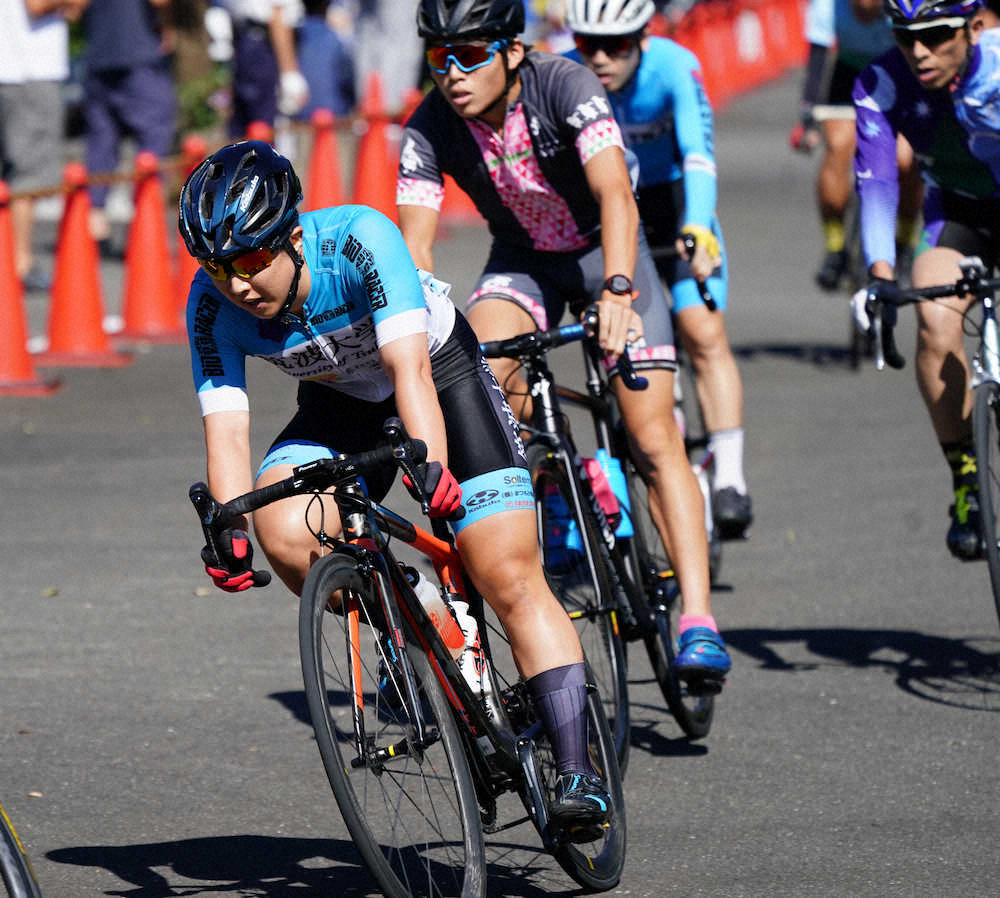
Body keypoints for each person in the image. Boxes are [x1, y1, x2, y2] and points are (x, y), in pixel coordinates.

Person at [178, 139, 613, 827]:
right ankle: (415, 607)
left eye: (253, 259)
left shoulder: (358, 242)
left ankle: (578, 770)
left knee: (503, 568)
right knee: (284, 531)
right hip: (343, 403)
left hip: (439, 376)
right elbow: (227, 430)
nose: (237, 284)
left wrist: (430, 465)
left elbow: (411, 373)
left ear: (293, 235)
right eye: (218, 266)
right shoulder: (211, 306)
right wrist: (230, 529)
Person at [396, 0, 732, 685]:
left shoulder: (565, 85)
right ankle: (550, 479)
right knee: (482, 368)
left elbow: (615, 193)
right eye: (439, 57)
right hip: (522, 261)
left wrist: (616, 291)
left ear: (513, 52)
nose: (453, 73)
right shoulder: (428, 126)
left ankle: (697, 616)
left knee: (650, 434)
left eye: (471, 54)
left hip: (606, 252)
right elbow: (415, 247)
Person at [564, 0, 753, 538]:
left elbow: (697, 153)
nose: (600, 58)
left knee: (702, 329)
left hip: (674, 208)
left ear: (642, 38)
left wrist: (697, 226)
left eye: (616, 45)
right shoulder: (564, 73)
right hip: (611, 217)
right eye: (587, 44)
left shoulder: (674, 65)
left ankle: (730, 475)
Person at [853, 0, 1000, 559]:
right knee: (934, 323)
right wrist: (880, 275)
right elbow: (879, 183)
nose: (918, 51)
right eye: (905, 35)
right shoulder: (880, 83)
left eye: (936, 36)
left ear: (973, 28)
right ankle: (966, 474)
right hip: (958, 216)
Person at [793, 0, 923, 290]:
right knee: (839, 147)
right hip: (849, 75)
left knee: (905, 159)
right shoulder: (827, 5)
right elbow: (818, 58)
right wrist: (808, 116)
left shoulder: (902, 5)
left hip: (897, 75)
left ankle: (904, 242)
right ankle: (836, 247)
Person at [0, 0, 88, 289]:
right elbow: (37, 5)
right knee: (28, 174)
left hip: (16, 69)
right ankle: (20, 263)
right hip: (28, 70)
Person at [81, 0, 177, 247]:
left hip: (99, 54)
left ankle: (95, 217)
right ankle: (143, 220)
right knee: (154, 137)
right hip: (136, 53)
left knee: (102, 141)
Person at [222, 0, 309, 136]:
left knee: (246, 128)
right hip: (264, 47)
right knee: (264, 127)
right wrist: (290, 74)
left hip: (248, 43)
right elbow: (277, 16)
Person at [296, 0, 356, 120]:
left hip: (298, 121)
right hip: (334, 119)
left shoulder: (293, 39)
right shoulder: (335, 39)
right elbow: (349, 80)